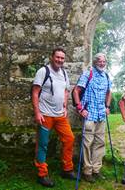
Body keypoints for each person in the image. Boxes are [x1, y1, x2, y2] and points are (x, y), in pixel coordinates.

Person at [32, 48, 76, 188]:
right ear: (52, 57)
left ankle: (67, 169)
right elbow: (35, 92)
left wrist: (64, 106)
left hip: (60, 115)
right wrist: (37, 112)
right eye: (57, 57)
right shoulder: (43, 71)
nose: (60, 60)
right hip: (45, 115)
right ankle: (42, 174)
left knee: (69, 139)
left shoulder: (63, 73)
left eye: (62, 58)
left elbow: (65, 90)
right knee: (43, 144)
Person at [73, 53, 112, 183]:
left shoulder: (106, 76)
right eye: (99, 61)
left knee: (100, 143)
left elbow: (109, 92)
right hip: (89, 114)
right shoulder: (88, 74)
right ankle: (87, 171)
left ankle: (96, 170)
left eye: (104, 61)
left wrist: (107, 106)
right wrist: (80, 108)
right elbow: (76, 91)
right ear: (95, 62)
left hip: (101, 114)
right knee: (87, 143)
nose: (102, 63)